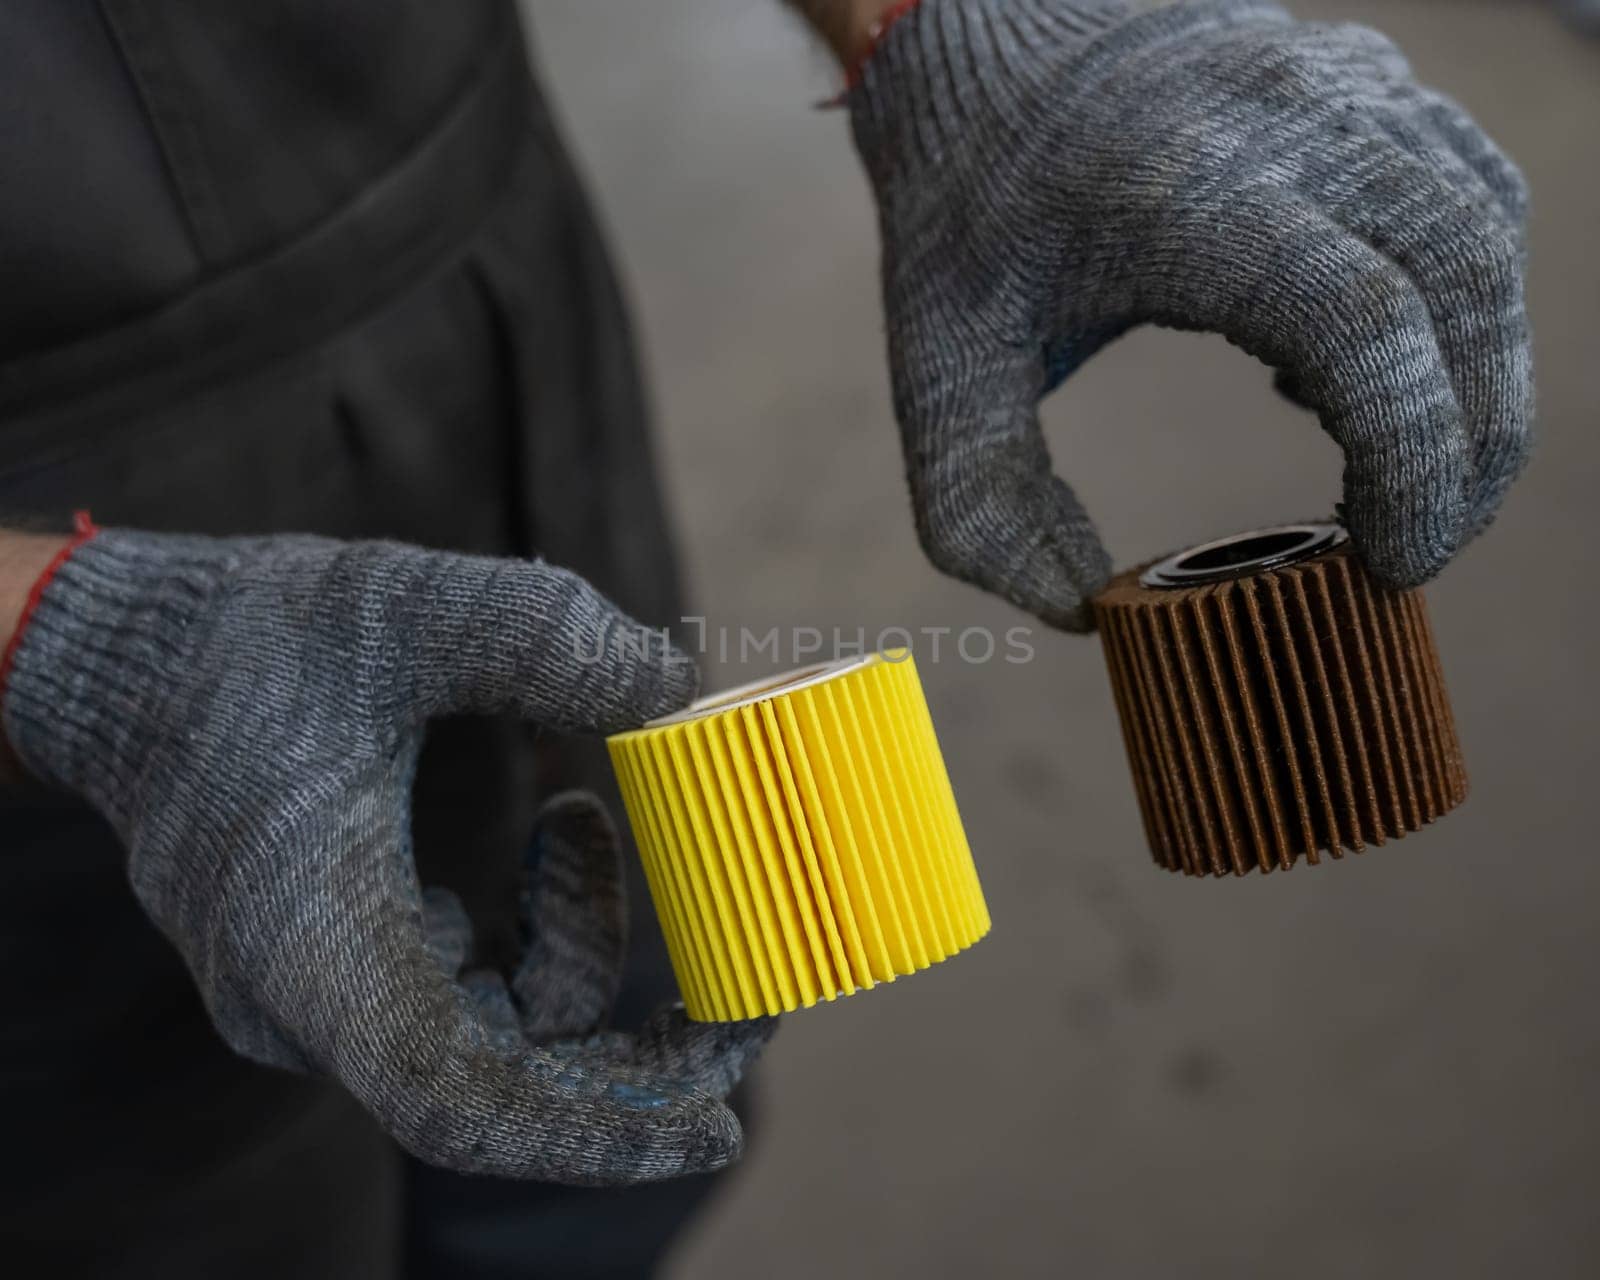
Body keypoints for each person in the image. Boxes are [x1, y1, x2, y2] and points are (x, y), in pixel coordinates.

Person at [0, 1, 1533, 1275]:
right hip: (45, 584)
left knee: (603, 1100)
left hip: (464, 282)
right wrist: (68, 643)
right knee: (192, 1204)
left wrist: (946, 32)